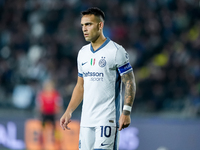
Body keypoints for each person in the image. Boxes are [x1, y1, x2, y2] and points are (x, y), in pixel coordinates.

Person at [60, 7, 136, 150]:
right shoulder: (82, 53)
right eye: (82, 25)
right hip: (86, 120)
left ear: (100, 25)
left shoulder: (116, 51)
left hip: (107, 118)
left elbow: (129, 81)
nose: (84, 29)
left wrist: (126, 112)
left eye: (88, 24)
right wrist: (69, 111)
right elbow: (80, 86)